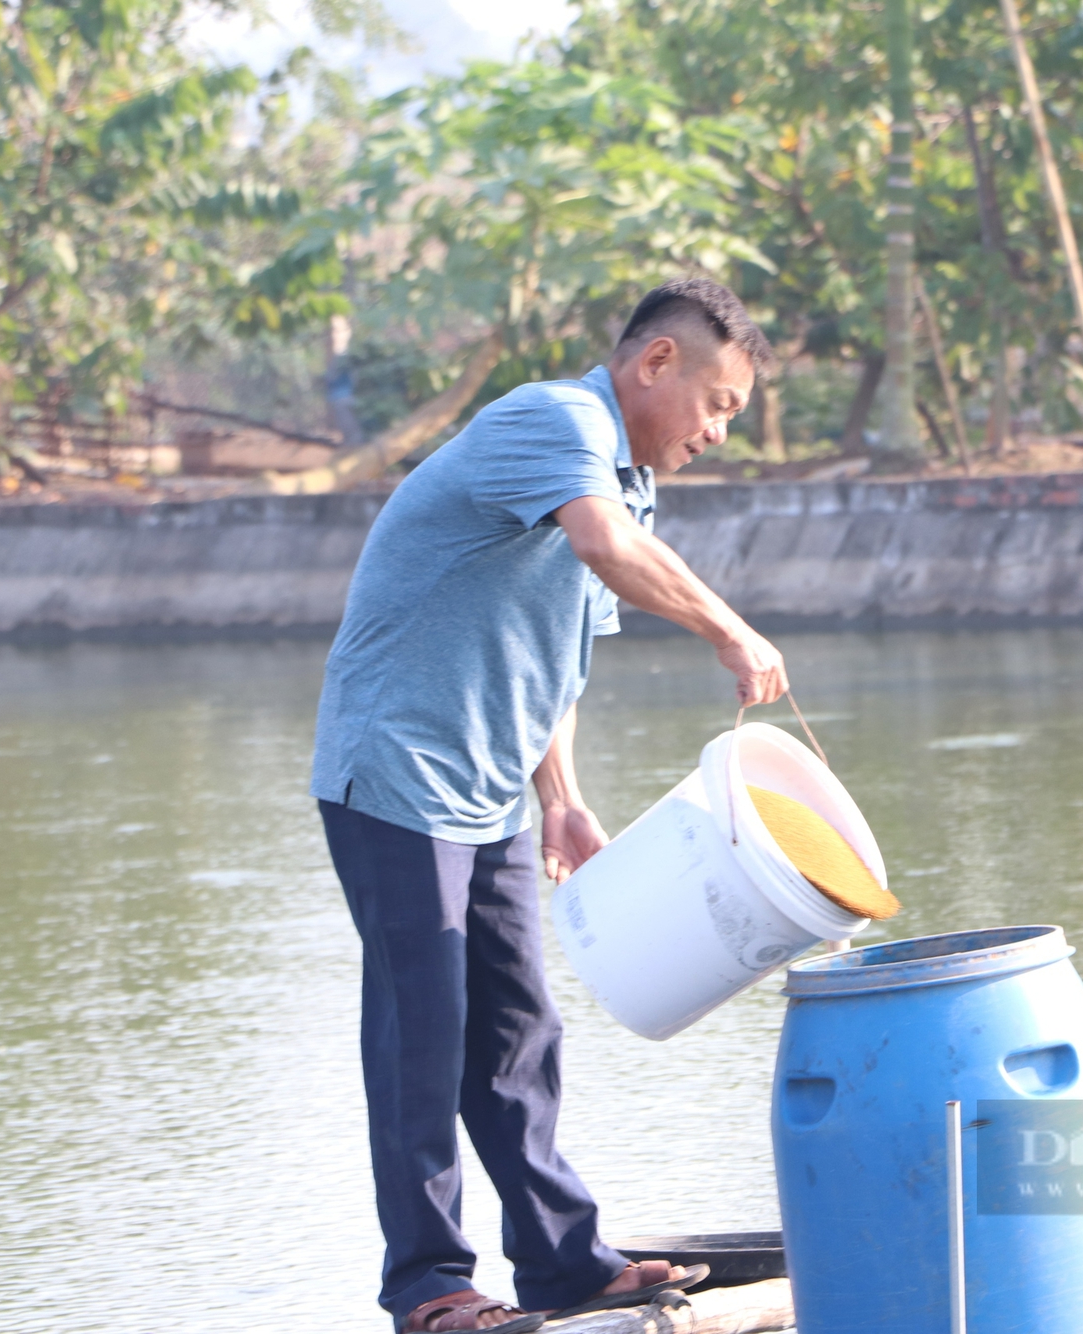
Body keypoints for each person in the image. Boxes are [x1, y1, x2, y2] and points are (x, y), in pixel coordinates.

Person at [309, 278, 788, 1333]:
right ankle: (428, 1282)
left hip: (489, 791)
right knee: (421, 1029)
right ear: (653, 362)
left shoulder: (626, 484)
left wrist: (561, 798)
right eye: (716, 404)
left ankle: (563, 1261)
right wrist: (727, 629)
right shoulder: (555, 420)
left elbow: (551, 659)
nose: (715, 431)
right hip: (396, 773)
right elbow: (602, 549)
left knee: (519, 1027)